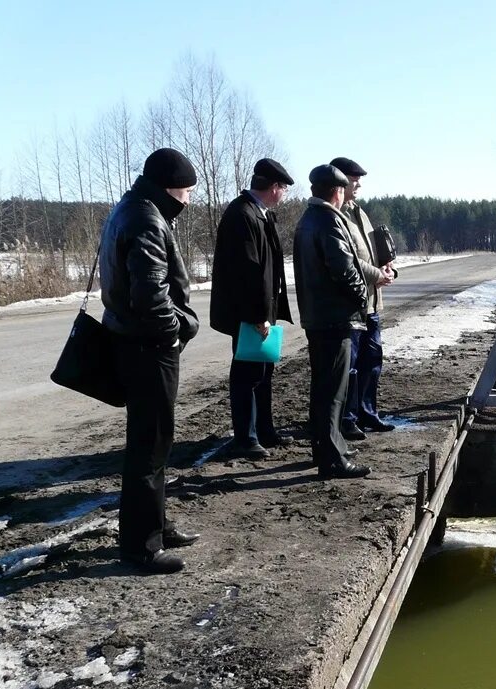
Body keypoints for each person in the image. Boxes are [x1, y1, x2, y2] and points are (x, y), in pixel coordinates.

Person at [100, 148, 201, 574]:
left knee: (153, 444)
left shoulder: (132, 208)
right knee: (149, 445)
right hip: (148, 349)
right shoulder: (145, 218)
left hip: (137, 344)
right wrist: (174, 334)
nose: (190, 199)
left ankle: (155, 523)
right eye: (187, 191)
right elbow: (151, 295)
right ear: (169, 187)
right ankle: (142, 547)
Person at [210, 158, 295, 459]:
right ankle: (246, 438)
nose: (284, 194)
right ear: (274, 188)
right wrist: (258, 316)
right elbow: (247, 270)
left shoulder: (258, 214)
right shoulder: (242, 214)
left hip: (260, 312)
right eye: (283, 188)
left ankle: (264, 430)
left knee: (263, 370)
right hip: (249, 314)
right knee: (247, 374)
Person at [292, 164, 371, 479]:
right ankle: (332, 458)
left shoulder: (308, 219)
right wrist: (361, 296)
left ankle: (328, 447)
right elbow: (343, 268)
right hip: (333, 317)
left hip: (317, 316)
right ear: (337, 192)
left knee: (323, 388)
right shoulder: (328, 221)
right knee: (333, 391)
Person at [331, 156, 396, 440]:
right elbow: (349, 260)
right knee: (351, 365)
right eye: (354, 180)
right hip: (352, 305)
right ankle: (348, 418)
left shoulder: (359, 212)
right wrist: (375, 274)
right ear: (339, 181)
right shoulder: (334, 215)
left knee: (373, 360)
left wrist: (387, 267)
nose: (358, 185)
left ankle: (368, 413)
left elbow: (369, 252)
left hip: (371, 303)